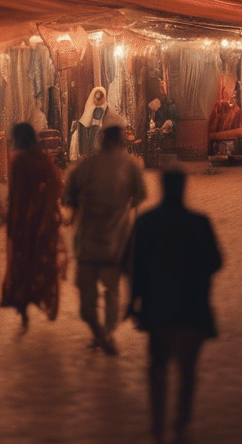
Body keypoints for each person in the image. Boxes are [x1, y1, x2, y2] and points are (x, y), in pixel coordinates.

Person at [129, 169, 223, 444]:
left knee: (157, 369)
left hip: (158, 310)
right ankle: (181, 422)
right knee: (187, 371)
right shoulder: (199, 223)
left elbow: (135, 269)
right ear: (184, 189)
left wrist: (133, 303)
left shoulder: (146, 223)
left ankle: (157, 424)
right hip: (192, 310)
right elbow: (216, 262)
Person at [65, 125, 147, 355]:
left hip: (88, 244)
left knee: (86, 300)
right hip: (115, 243)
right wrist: (124, 208)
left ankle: (99, 333)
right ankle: (106, 334)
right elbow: (140, 196)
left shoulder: (85, 166)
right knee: (113, 292)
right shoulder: (130, 165)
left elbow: (69, 196)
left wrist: (72, 213)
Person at [1, 122, 66, 329]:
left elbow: (15, 194)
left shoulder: (17, 162)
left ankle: (22, 307)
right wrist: (46, 204)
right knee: (43, 257)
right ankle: (45, 297)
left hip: (21, 219)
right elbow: (57, 184)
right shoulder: (42, 159)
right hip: (41, 219)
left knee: (21, 260)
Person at [69, 86, 128, 163]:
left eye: (100, 96)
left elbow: (114, 120)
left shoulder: (108, 107)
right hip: (92, 131)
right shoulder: (90, 107)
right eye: (96, 96)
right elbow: (85, 121)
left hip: (103, 131)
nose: (98, 98)